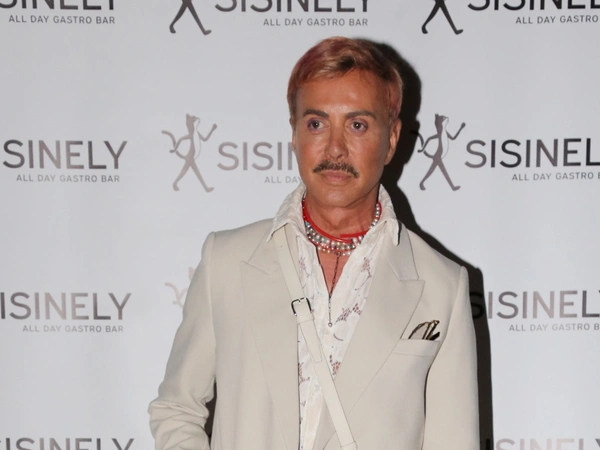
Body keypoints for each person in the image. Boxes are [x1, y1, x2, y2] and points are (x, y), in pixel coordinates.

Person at [149, 36, 479, 450]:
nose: (335, 148)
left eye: (357, 125)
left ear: (392, 139)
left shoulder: (442, 286)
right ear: (294, 134)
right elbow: (176, 408)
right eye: (316, 124)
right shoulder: (226, 262)